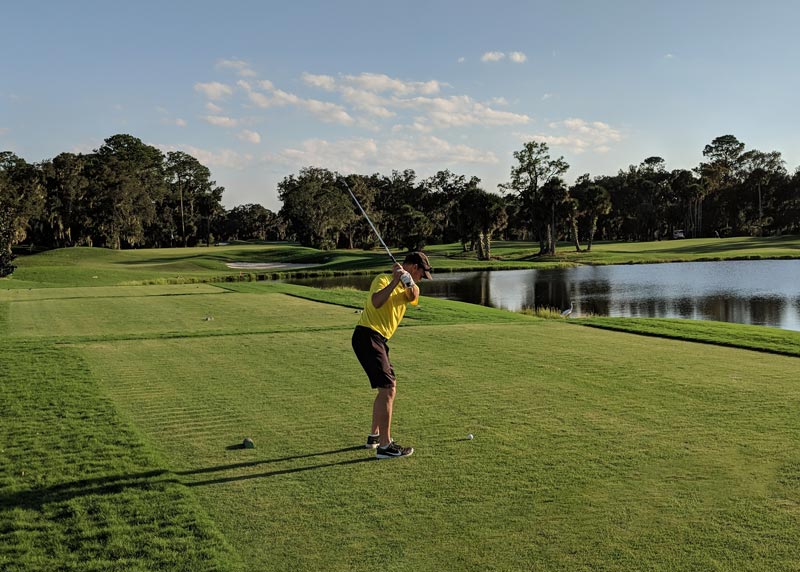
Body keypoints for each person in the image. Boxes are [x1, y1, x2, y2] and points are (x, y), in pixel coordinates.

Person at [351, 251, 433, 459]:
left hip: (379, 341)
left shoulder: (409, 285)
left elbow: (413, 296)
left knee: (388, 388)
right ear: (415, 267)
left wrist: (407, 281)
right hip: (367, 335)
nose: (422, 278)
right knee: (388, 389)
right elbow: (377, 302)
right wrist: (395, 279)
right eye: (422, 273)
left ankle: (374, 437)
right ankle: (385, 446)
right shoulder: (383, 279)